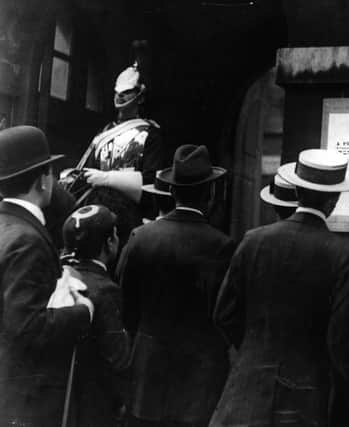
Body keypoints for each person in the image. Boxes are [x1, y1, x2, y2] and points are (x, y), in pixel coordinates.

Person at [210, 149, 349, 427]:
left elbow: (224, 314)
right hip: (305, 394)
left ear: (297, 191)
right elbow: (338, 335)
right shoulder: (343, 253)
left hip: (247, 385)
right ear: (333, 200)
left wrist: (255, 348)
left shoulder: (254, 239)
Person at [118, 144, 234, 427]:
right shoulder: (221, 246)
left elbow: (124, 303)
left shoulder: (141, 237)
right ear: (210, 194)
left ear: (170, 191)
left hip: (147, 371)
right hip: (200, 375)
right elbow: (225, 314)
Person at [0, 126, 94, 426]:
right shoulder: (28, 241)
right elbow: (28, 327)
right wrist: (82, 311)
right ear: (43, 180)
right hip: (23, 399)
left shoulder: (8, 229)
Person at [62, 63, 165, 244]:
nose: (120, 95)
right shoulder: (104, 133)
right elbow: (89, 172)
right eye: (118, 91)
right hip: (98, 210)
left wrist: (107, 178)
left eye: (127, 91)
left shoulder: (151, 134)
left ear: (140, 97)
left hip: (131, 214)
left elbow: (151, 181)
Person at [61, 205, 131, 426]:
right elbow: (117, 358)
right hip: (93, 404)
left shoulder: (57, 277)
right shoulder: (106, 290)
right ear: (109, 243)